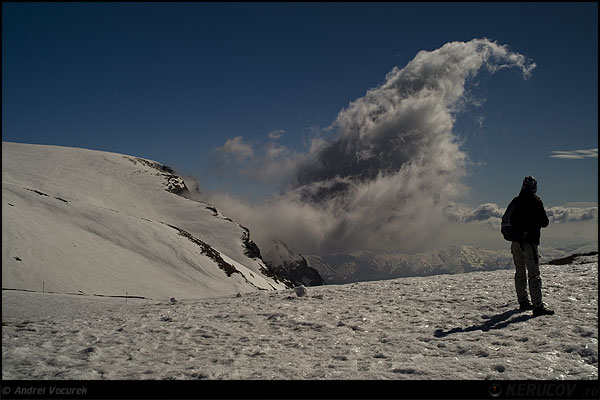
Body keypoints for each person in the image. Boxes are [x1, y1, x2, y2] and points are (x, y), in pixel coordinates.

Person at [509, 176, 554, 317]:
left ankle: (523, 301)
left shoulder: (516, 201)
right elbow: (544, 222)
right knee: (533, 274)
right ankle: (538, 306)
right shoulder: (535, 201)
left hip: (515, 242)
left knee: (520, 272)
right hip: (530, 243)